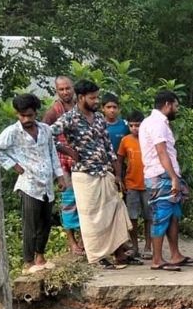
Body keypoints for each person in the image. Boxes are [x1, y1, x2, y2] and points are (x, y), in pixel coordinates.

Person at [51, 79, 134, 269]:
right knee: (92, 219)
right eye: (93, 98)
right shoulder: (69, 118)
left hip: (104, 171)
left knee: (114, 211)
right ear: (81, 98)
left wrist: (118, 174)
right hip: (84, 174)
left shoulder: (98, 118)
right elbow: (48, 134)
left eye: (97, 97)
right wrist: (66, 150)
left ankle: (119, 253)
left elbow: (107, 146)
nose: (96, 101)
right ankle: (98, 257)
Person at [0, 93, 67, 274]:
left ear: (35, 113)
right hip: (28, 183)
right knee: (30, 225)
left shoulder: (46, 130)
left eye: (30, 115)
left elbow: (52, 153)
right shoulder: (12, 132)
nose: (26, 119)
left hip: (46, 183)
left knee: (45, 222)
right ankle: (28, 261)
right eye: (23, 116)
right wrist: (13, 165)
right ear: (17, 114)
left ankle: (40, 256)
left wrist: (60, 176)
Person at [140, 89, 193, 271]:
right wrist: (173, 178)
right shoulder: (157, 124)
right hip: (161, 176)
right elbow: (161, 151)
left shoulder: (153, 122)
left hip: (163, 175)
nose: (176, 110)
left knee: (172, 216)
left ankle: (174, 255)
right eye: (176, 106)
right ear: (167, 105)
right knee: (161, 217)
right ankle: (157, 259)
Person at [44, 75, 84, 256]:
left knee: (85, 201)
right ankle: (72, 242)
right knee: (68, 202)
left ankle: (86, 239)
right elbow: (44, 134)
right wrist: (62, 148)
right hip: (63, 163)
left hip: (82, 160)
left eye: (68, 88)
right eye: (61, 89)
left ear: (73, 88)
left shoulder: (80, 106)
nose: (65, 92)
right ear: (57, 91)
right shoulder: (54, 110)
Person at [117, 110, 150, 258]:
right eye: (131, 125)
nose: (135, 128)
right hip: (131, 183)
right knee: (133, 217)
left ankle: (149, 245)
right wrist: (119, 177)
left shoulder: (149, 139)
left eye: (138, 125)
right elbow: (119, 160)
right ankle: (135, 245)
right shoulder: (125, 140)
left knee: (149, 217)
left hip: (148, 183)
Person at [102, 93, 129, 159]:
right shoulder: (98, 125)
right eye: (108, 107)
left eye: (114, 107)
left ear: (119, 109)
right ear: (102, 108)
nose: (112, 110)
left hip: (121, 163)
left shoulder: (125, 125)